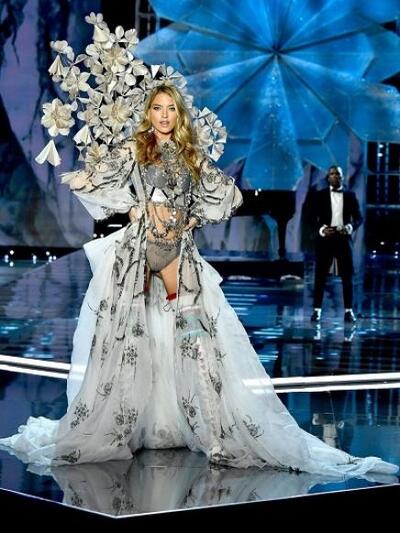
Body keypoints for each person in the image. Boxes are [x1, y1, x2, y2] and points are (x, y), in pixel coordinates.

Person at [0, 85, 397, 478]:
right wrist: (132, 207)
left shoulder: (191, 155)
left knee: (194, 337)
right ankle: (124, 424)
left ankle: (213, 431)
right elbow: (98, 182)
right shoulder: (134, 149)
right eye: (157, 108)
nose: (164, 115)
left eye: (171, 108)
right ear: (148, 113)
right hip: (138, 251)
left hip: (178, 253)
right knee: (130, 337)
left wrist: (193, 218)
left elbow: (228, 196)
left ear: (179, 114)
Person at [310, 166, 363, 324]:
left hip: (343, 237)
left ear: (342, 177)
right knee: (320, 275)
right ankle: (317, 311)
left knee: (347, 275)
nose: (335, 176)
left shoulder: (350, 195)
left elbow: (359, 218)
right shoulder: (320, 195)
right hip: (325, 238)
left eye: (338, 174)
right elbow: (310, 217)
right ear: (328, 178)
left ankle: (348, 311)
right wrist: (321, 229)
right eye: (332, 174)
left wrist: (350, 227)